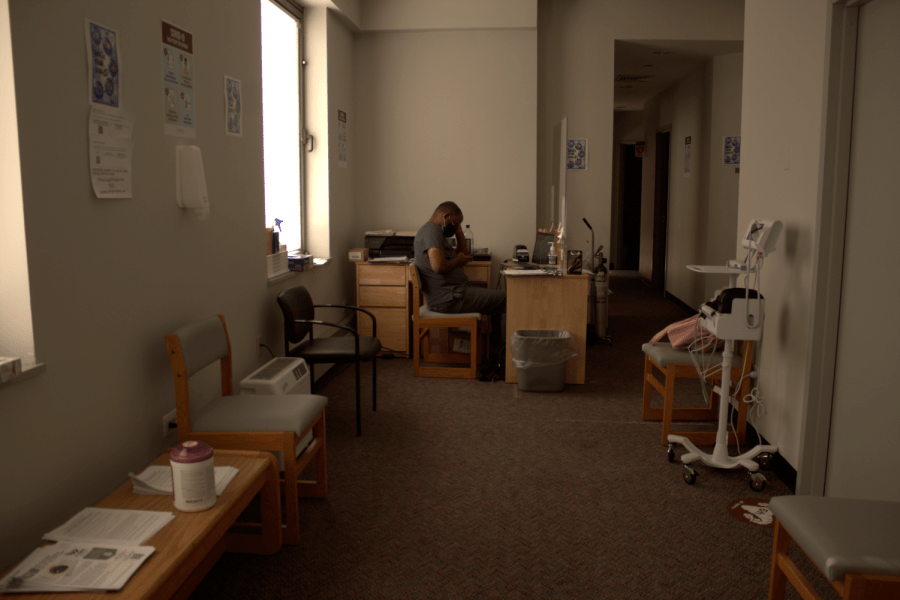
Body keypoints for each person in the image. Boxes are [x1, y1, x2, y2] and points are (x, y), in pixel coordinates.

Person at [414, 201, 506, 380]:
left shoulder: (437, 232)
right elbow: (438, 266)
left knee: (497, 302)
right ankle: (502, 359)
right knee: (505, 299)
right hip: (450, 298)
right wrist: (458, 261)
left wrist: (458, 230)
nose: (457, 227)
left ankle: (497, 358)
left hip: (453, 293)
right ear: (446, 217)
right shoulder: (431, 231)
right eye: (455, 223)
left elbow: (463, 252)